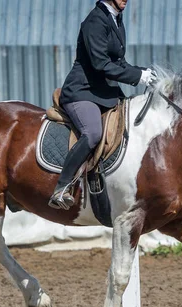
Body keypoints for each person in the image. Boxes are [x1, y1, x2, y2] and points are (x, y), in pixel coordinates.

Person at [48, 0, 157, 210]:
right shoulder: (95, 21)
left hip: (105, 93)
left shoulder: (115, 19)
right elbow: (101, 64)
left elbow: (119, 63)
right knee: (93, 133)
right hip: (83, 92)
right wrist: (137, 77)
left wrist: (146, 74)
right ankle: (62, 187)